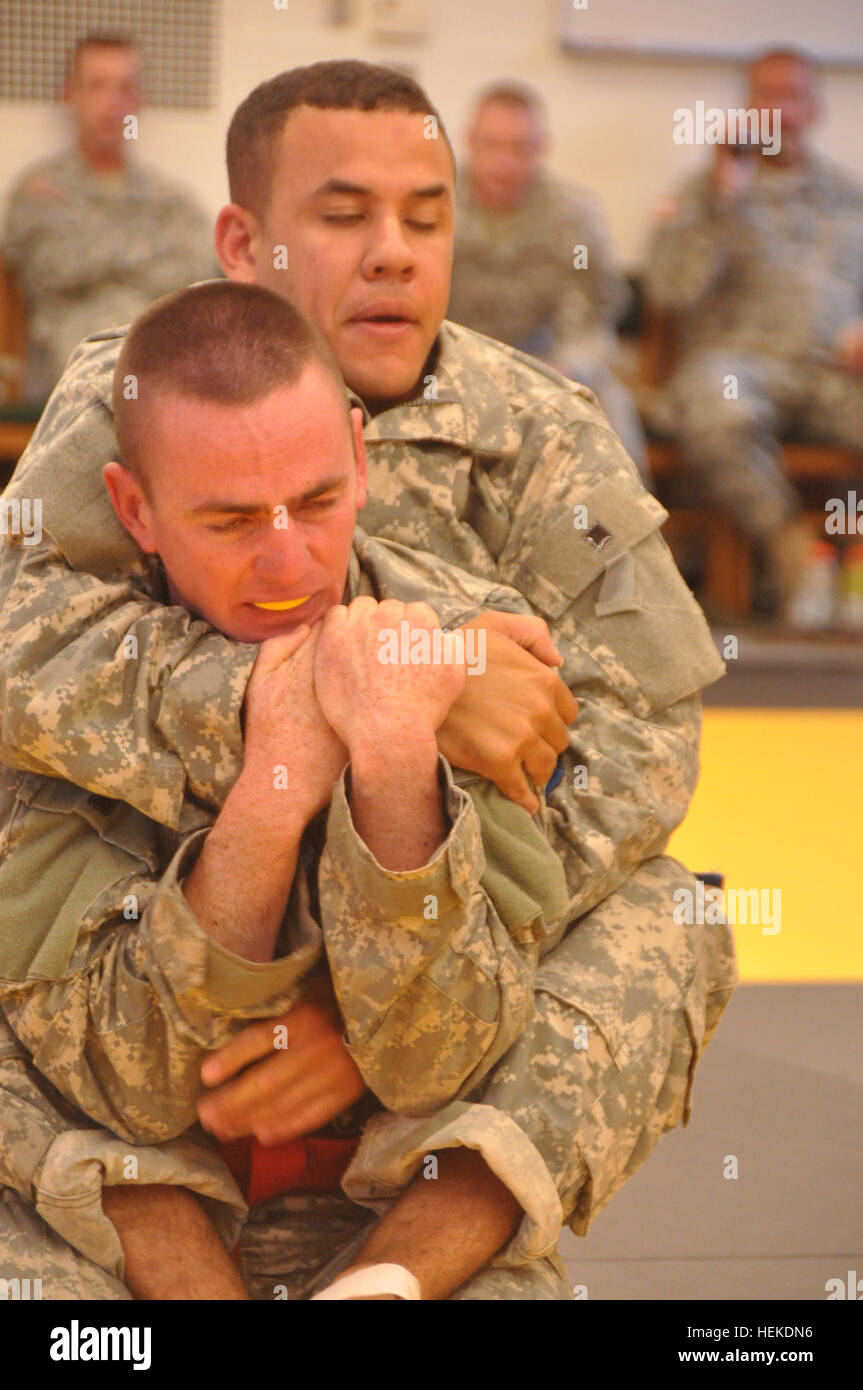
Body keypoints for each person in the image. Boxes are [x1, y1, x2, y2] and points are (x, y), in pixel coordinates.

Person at [0, 60, 736, 1300]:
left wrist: (357, 1014)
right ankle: (159, 1232)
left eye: (426, 214)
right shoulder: (132, 391)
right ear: (244, 238)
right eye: (344, 215)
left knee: (679, 917)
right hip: (142, 948)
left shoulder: (541, 432)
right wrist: (362, 686)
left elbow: (644, 746)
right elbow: (21, 650)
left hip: (432, 968)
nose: (393, 252)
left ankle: (397, 1267)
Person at [0, 280, 577, 1300]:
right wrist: (274, 783)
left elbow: (438, 1063)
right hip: (111, 1203)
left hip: (380, 1195)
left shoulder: (474, 644)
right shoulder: (60, 689)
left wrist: (396, 765)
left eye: (315, 501)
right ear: (134, 508)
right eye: (227, 520)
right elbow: (129, 1085)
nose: (286, 560)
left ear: (359, 456)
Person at [644, 47, 863, 625]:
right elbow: (667, 290)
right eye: (766, 95)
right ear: (748, 108)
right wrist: (723, 198)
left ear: (813, 108)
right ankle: (793, 554)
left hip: (830, 375)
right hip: (737, 371)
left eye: (792, 96)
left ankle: (854, 569)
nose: (780, 111)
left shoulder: (849, 199)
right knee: (716, 404)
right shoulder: (708, 192)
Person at [447, 82, 650, 482]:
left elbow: (596, 313)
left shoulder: (574, 215)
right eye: (492, 145)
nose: (505, 161)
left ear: (543, 147)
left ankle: (624, 536)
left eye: (520, 148)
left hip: (551, 365)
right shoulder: (432, 205)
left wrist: (568, 366)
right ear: (469, 141)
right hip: (452, 365)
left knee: (610, 415)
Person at [1, 33, 216, 403]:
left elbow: (198, 272)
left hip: (167, 358)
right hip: (74, 371)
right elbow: (53, 268)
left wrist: (100, 251)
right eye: (97, 85)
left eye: (125, 87)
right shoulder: (40, 190)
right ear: (70, 93)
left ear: (140, 100)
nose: (113, 103)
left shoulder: (171, 197)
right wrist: (151, 250)